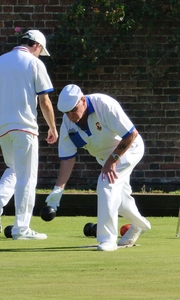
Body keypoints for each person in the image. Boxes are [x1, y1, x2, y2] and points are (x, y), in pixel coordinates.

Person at [46, 84, 151, 251]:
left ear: (82, 100)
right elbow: (67, 158)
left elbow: (131, 134)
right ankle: (139, 224)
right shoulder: (68, 123)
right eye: (66, 112)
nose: (71, 115)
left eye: (73, 110)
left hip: (129, 149)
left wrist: (112, 160)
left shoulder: (104, 105)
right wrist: (58, 189)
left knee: (106, 184)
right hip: (106, 159)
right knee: (121, 201)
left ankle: (107, 239)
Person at [0, 29, 58, 240]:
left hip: (3, 128)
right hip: (24, 128)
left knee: (14, 169)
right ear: (37, 45)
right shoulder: (35, 64)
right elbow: (44, 101)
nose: (39, 54)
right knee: (27, 177)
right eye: (40, 51)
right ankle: (21, 229)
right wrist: (52, 127)